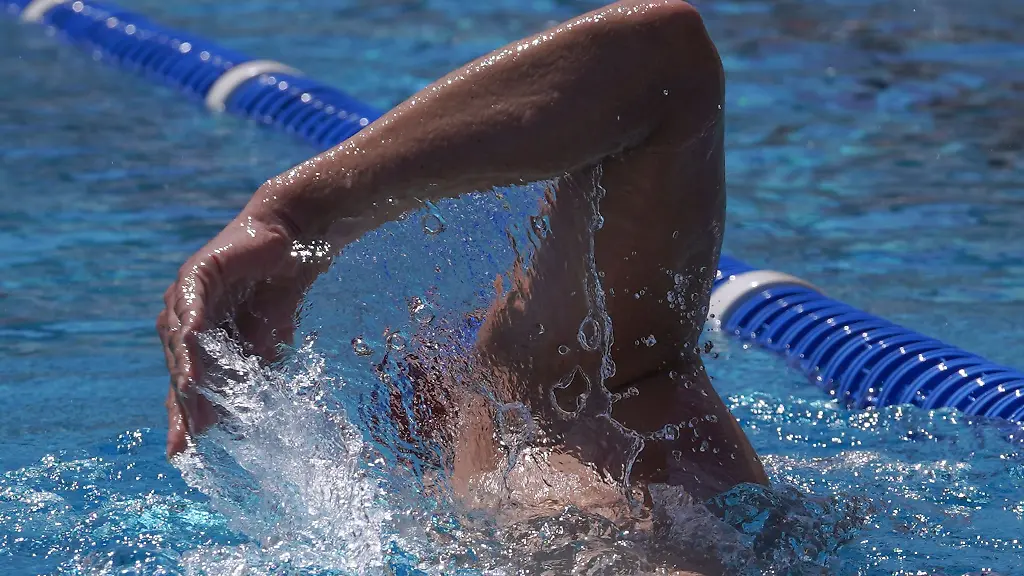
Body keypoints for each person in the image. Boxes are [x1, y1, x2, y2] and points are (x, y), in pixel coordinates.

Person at [158, 0, 768, 566]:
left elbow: (658, 56)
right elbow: (662, 62)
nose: (424, 344)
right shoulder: (573, 392)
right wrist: (294, 215)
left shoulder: (555, 420)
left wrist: (295, 217)